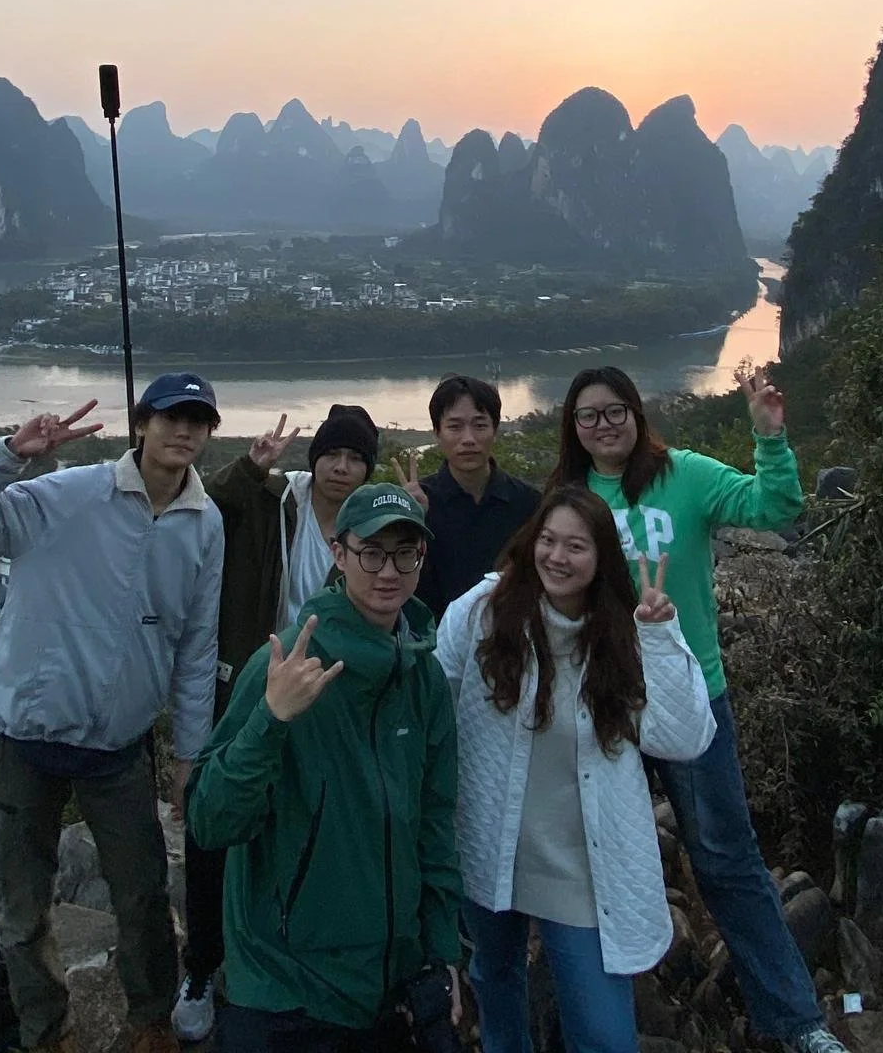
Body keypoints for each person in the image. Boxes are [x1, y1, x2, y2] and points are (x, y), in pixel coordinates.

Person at [0, 374, 225, 1053]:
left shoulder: (205, 524)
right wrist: (11, 453)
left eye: (198, 421)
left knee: (142, 897)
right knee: (25, 909)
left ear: (209, 434)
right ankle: (44, 1031)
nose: (184, 431)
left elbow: (198, 648)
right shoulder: (67, 495)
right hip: (25, 736)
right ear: (141, 424)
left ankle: (149, 1022)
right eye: (171, 417)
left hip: (119, 745)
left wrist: (188, 755)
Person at [549, 364, 846, 1053]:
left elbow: (774, 510)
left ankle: (796, 1020)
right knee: (595, 859)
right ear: (574, 426)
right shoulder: (568, 495)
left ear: (636, 413)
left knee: (727, 859)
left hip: (689, 695)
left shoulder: (685, 475)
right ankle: (606, 1022)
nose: (604, 424)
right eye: (589, 415)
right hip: (601, 704)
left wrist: (769, 437)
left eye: (615, 410)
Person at [435, 486, 714, 1053]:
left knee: (605, 1035)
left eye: (576, 547)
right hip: (492, 845)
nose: (557, 557)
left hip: (582, 864)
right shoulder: (483, 614)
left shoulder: (622, 635)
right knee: (496, 984)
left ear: (601, 558)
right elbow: (439, 701)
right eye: (547, 540)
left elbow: (684, 739)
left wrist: (661, 636)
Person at [186, 482, 463, 1053]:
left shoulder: (423, 677)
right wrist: (271, 717)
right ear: (339, 554)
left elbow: (433, 825)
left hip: (388, 985)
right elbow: (211, 821)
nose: (388, 571)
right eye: (372, 553)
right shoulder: (285, 664)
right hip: (284, 988)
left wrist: (443, 955)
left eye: (405, 553)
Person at [172, 404, 379, 1042]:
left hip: (328, 699)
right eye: (332, 455)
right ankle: (203, 966)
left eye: (355, 459)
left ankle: (292, 961)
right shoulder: (279, 499)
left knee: (302, 826)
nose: (341, 469)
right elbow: (215, 503)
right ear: (314, 457)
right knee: (215, 824)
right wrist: (252, 465)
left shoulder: (369, 524)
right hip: (251, 683)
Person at [393, 375, 540, 623]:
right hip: (434, 643)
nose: (468, 439)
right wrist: (411, 523)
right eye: (455, 427)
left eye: (480, 425)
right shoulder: (418, 502)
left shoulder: (529, 503)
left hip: (510, 640)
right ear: (437, 433)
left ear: (495, 430)